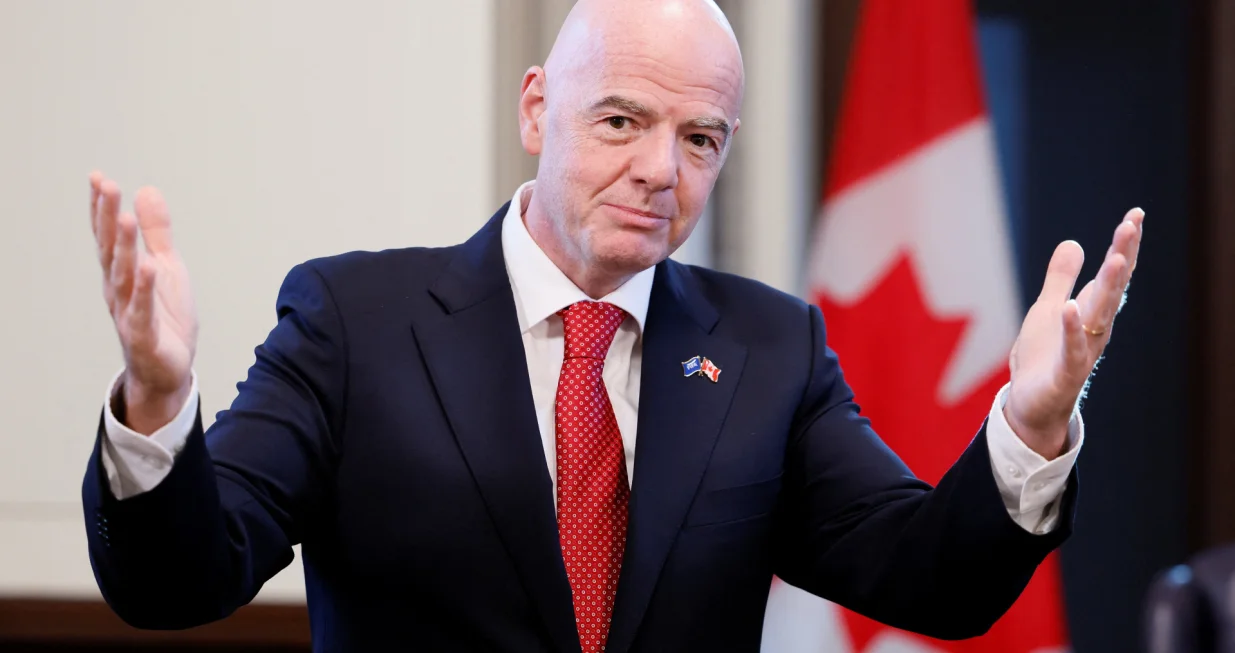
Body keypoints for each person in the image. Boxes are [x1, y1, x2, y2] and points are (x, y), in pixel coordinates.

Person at [81, 0, 1144, 651]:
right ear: (538, 109)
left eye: (699, 137)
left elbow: (933, 580)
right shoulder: (354, 322)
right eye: (621, 121)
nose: (657, 170)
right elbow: (179, 580)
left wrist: (1030, 420)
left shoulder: (770, 349)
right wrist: (158, 402)